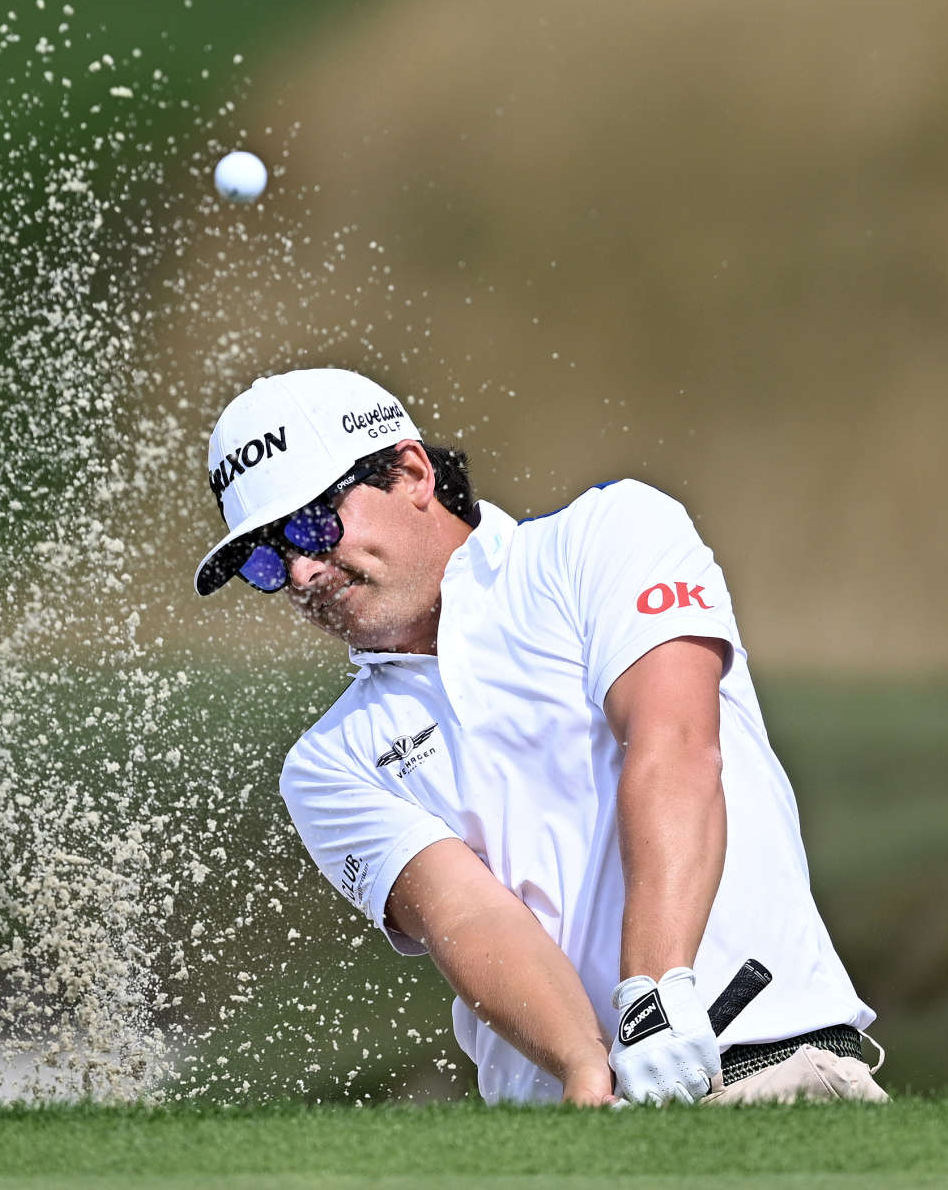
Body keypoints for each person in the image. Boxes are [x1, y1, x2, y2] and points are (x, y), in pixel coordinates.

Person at [193, 367, 886, 1106]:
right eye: (267, 556)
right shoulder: (329, 761)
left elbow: (675, 742)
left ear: (410, 472)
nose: (300, 571)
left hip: (769, 1071)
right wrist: (585, 1070)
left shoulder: (605, 537)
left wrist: (656, 996)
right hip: (576, 1131)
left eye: (311, 525)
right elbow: (468, 915)